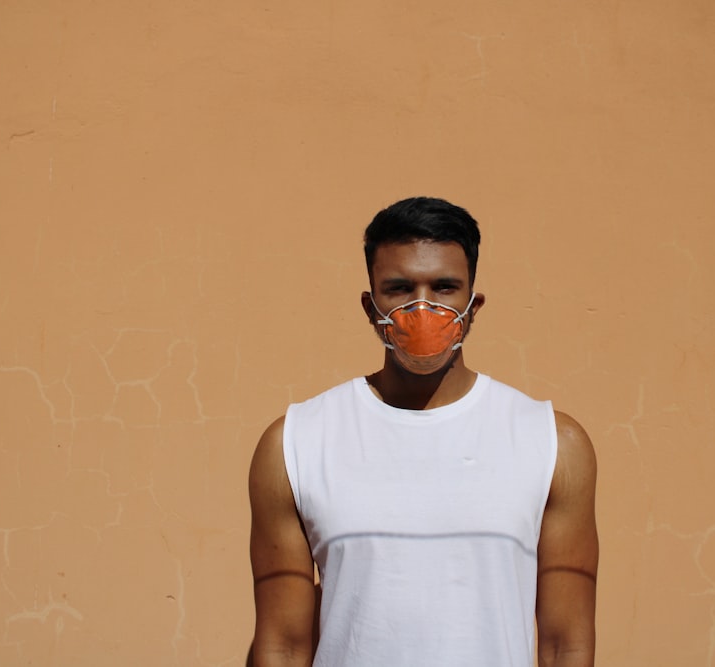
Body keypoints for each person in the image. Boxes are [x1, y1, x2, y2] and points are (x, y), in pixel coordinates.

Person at [248, 196, 599, 667]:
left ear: (473, 305)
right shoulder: (296, 444)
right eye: (399, 288)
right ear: (370, 305)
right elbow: (282, 645)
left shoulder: (552, 442)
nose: (423, 306)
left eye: (444, 287)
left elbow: (565, 643)